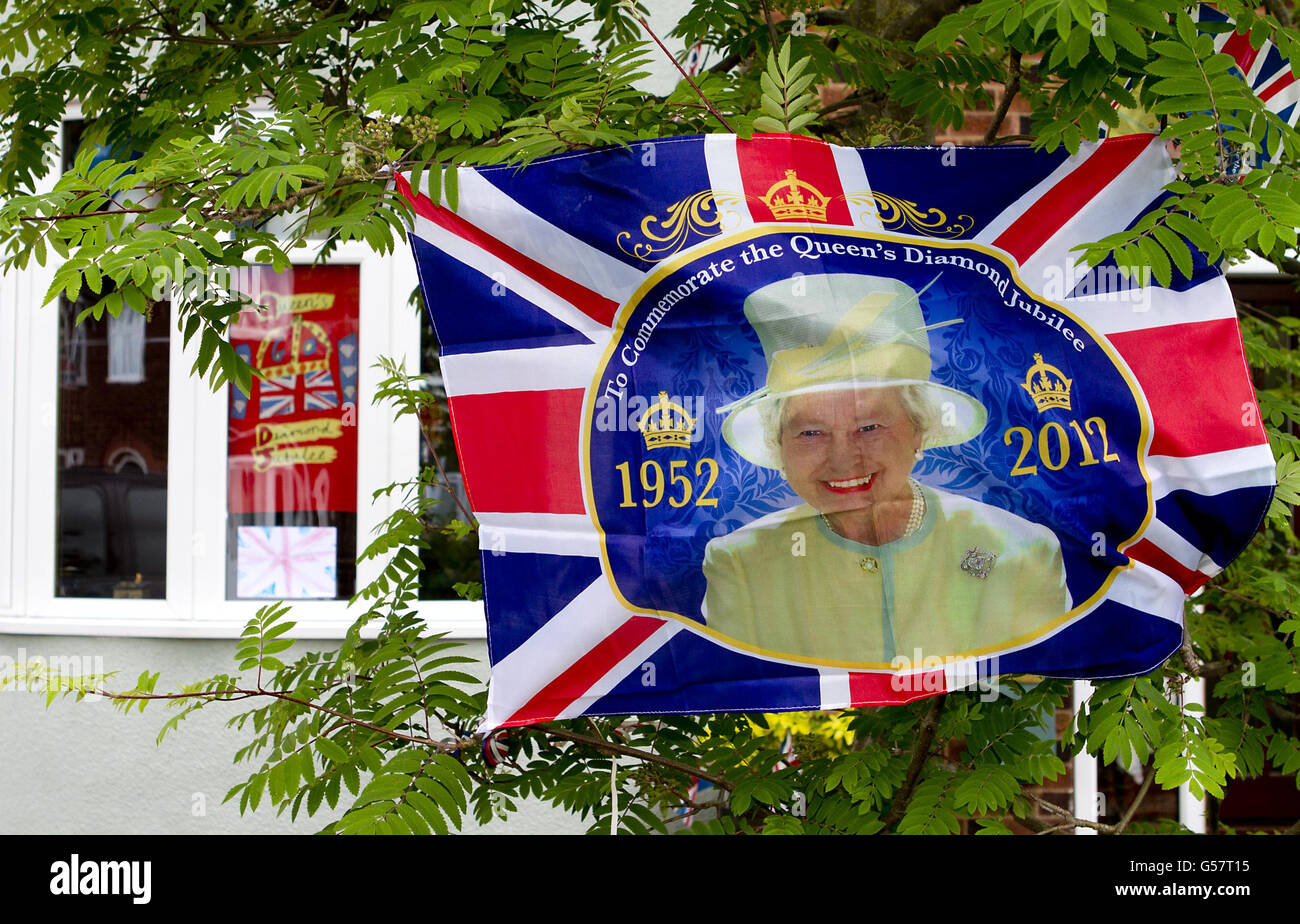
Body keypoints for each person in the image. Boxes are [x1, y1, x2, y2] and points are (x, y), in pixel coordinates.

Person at [701, 273, 1071, 667]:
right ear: (779, 447)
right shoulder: (739, 566)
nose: (844, 459)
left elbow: (1040, 692)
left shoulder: (1022, 551)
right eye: (811, 432)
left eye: (868, 428)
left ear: (919, 429)